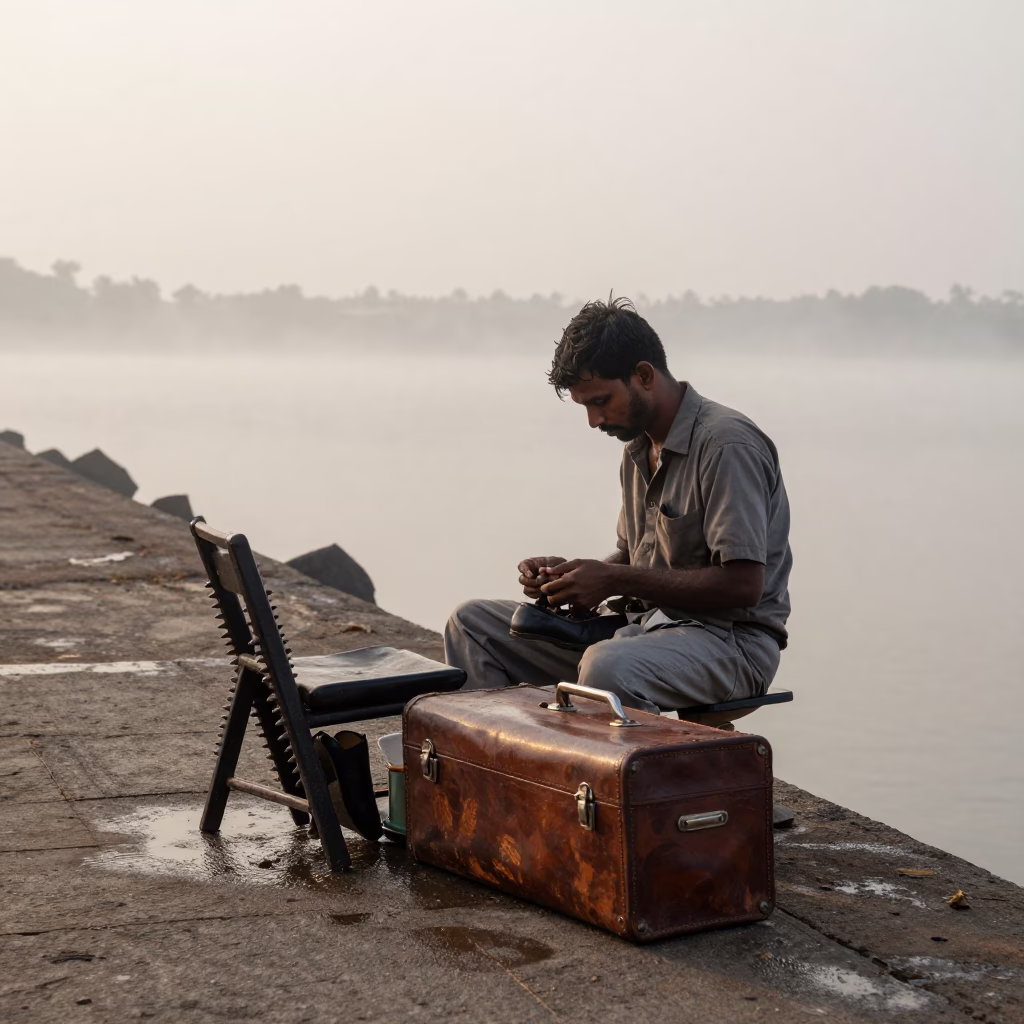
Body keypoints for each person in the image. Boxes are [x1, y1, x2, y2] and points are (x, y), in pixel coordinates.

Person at [444, 296, 792, 714]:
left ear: (643, 375)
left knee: (607, 668)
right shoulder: (636, 448)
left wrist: (612, 579)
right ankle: (495, 768)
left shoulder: (726, 445)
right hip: (638, 628)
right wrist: (571, 579)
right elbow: (631, 561)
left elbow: (743, 586)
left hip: (730, 644)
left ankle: (597, 776)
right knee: (471, 624)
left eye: (601, 401)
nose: (594, 420)